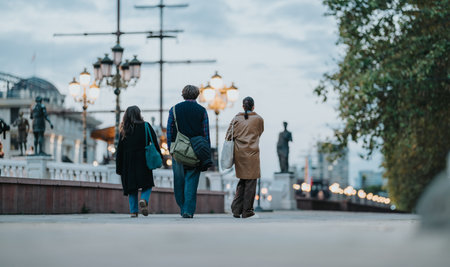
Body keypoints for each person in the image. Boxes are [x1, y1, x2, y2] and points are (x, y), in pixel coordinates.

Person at [167, 85, 210, 218]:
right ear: (197, 95)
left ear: (183, 94)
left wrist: (171, 148)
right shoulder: (202, 111)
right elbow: (205, 133)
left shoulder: (174, 109)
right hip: (196, 151)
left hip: (178, 151)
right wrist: (205, 152)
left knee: (179, 181)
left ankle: (182, 206)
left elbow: (170, 130)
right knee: (191, 181)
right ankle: (188, 210)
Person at [116, 106, 162, 217]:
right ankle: (144, 200)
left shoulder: (124, 129)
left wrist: (119, 167)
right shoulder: (146, 126)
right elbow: (155, 142)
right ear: (139, 114)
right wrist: (160, 156)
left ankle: (133, 211)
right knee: (147, 184)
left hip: (128, 162)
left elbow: (119, 150)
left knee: (132, 187)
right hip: (143, 160)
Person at [225, 96, 264, 218]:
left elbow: (228, 136)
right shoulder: (259, 119)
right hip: (252, 155)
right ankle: (247, 211)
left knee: (242, 181)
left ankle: (236, 209)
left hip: (239, 155)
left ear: (242, 106)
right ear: (253, 106)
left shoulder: (236, 119)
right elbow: (259, 132)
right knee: (251, 182)